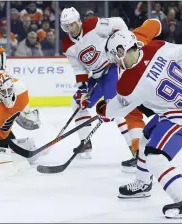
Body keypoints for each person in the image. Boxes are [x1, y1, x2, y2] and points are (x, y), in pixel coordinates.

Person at [97, 30, 182, 218]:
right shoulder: (156, 47)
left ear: (122, 50)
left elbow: (115, 110)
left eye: (115, 55)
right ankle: (143, 182)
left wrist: (102, 111)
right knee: (146, 137)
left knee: (155, 157)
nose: (114, 61)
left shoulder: (129, 83)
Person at [60, 7, 142, 161]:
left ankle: (135, 150)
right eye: (66, 26)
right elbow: (78, 67)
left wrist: (123, 44)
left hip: (112, 69)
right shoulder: (67, 45)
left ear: (78, 21)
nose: (70, 29)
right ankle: (86, 143)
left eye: (72, 24)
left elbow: (118, 23)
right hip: (97, 76)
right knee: (77, 104)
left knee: (115, 107)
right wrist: (83, 89)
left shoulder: (94, 24)